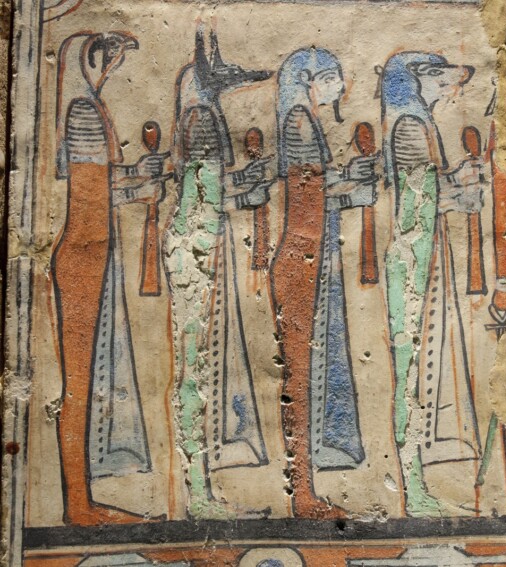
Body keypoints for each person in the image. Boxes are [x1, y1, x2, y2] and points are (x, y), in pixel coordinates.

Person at [52, 31, 167, 525]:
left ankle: (83, 500)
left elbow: (99, 187)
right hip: (83, 256)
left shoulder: (90, 106)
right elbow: (89, 195)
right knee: (78, 386)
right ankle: (78, 505)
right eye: (112, 56)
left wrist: (140, 175)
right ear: (93, 59)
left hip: (93, 250)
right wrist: (139, 186)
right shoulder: (82, 110)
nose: (115, 65)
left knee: (89, 379)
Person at [164, 28, 273, 518]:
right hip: (198, 252)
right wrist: (247, 183)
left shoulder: (200, 114)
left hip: (203, 244)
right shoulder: (201, 118)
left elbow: (209, 192)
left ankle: (203, 488)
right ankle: (199, 493)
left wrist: (246, 188)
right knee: (197, 368)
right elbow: (204, 195)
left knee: (202, 364)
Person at [270, 47, 377, 518]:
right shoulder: (298, 122)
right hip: (304, 257)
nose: (340, 84)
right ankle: (302, 495)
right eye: (331, 76)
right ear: (307, 81)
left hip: (314, 254)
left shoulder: (305, 122)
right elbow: (307, 201)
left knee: (311, 371)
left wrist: (350, 184)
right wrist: (349, 184)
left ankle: (307, 489)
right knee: (299, 377)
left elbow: (315, 193)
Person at [380, 51, 487, 516]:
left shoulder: (418, 121)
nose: (451, 85)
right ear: (419, 78)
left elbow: (427, 194)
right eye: (442, 77)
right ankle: (413, 488)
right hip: (414, 261)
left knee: (423, 371)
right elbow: (415, 205)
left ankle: (418, 483)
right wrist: (458, 189)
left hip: (426, 253)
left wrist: (459, 188)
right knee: (412, 374)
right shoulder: (409, 126)